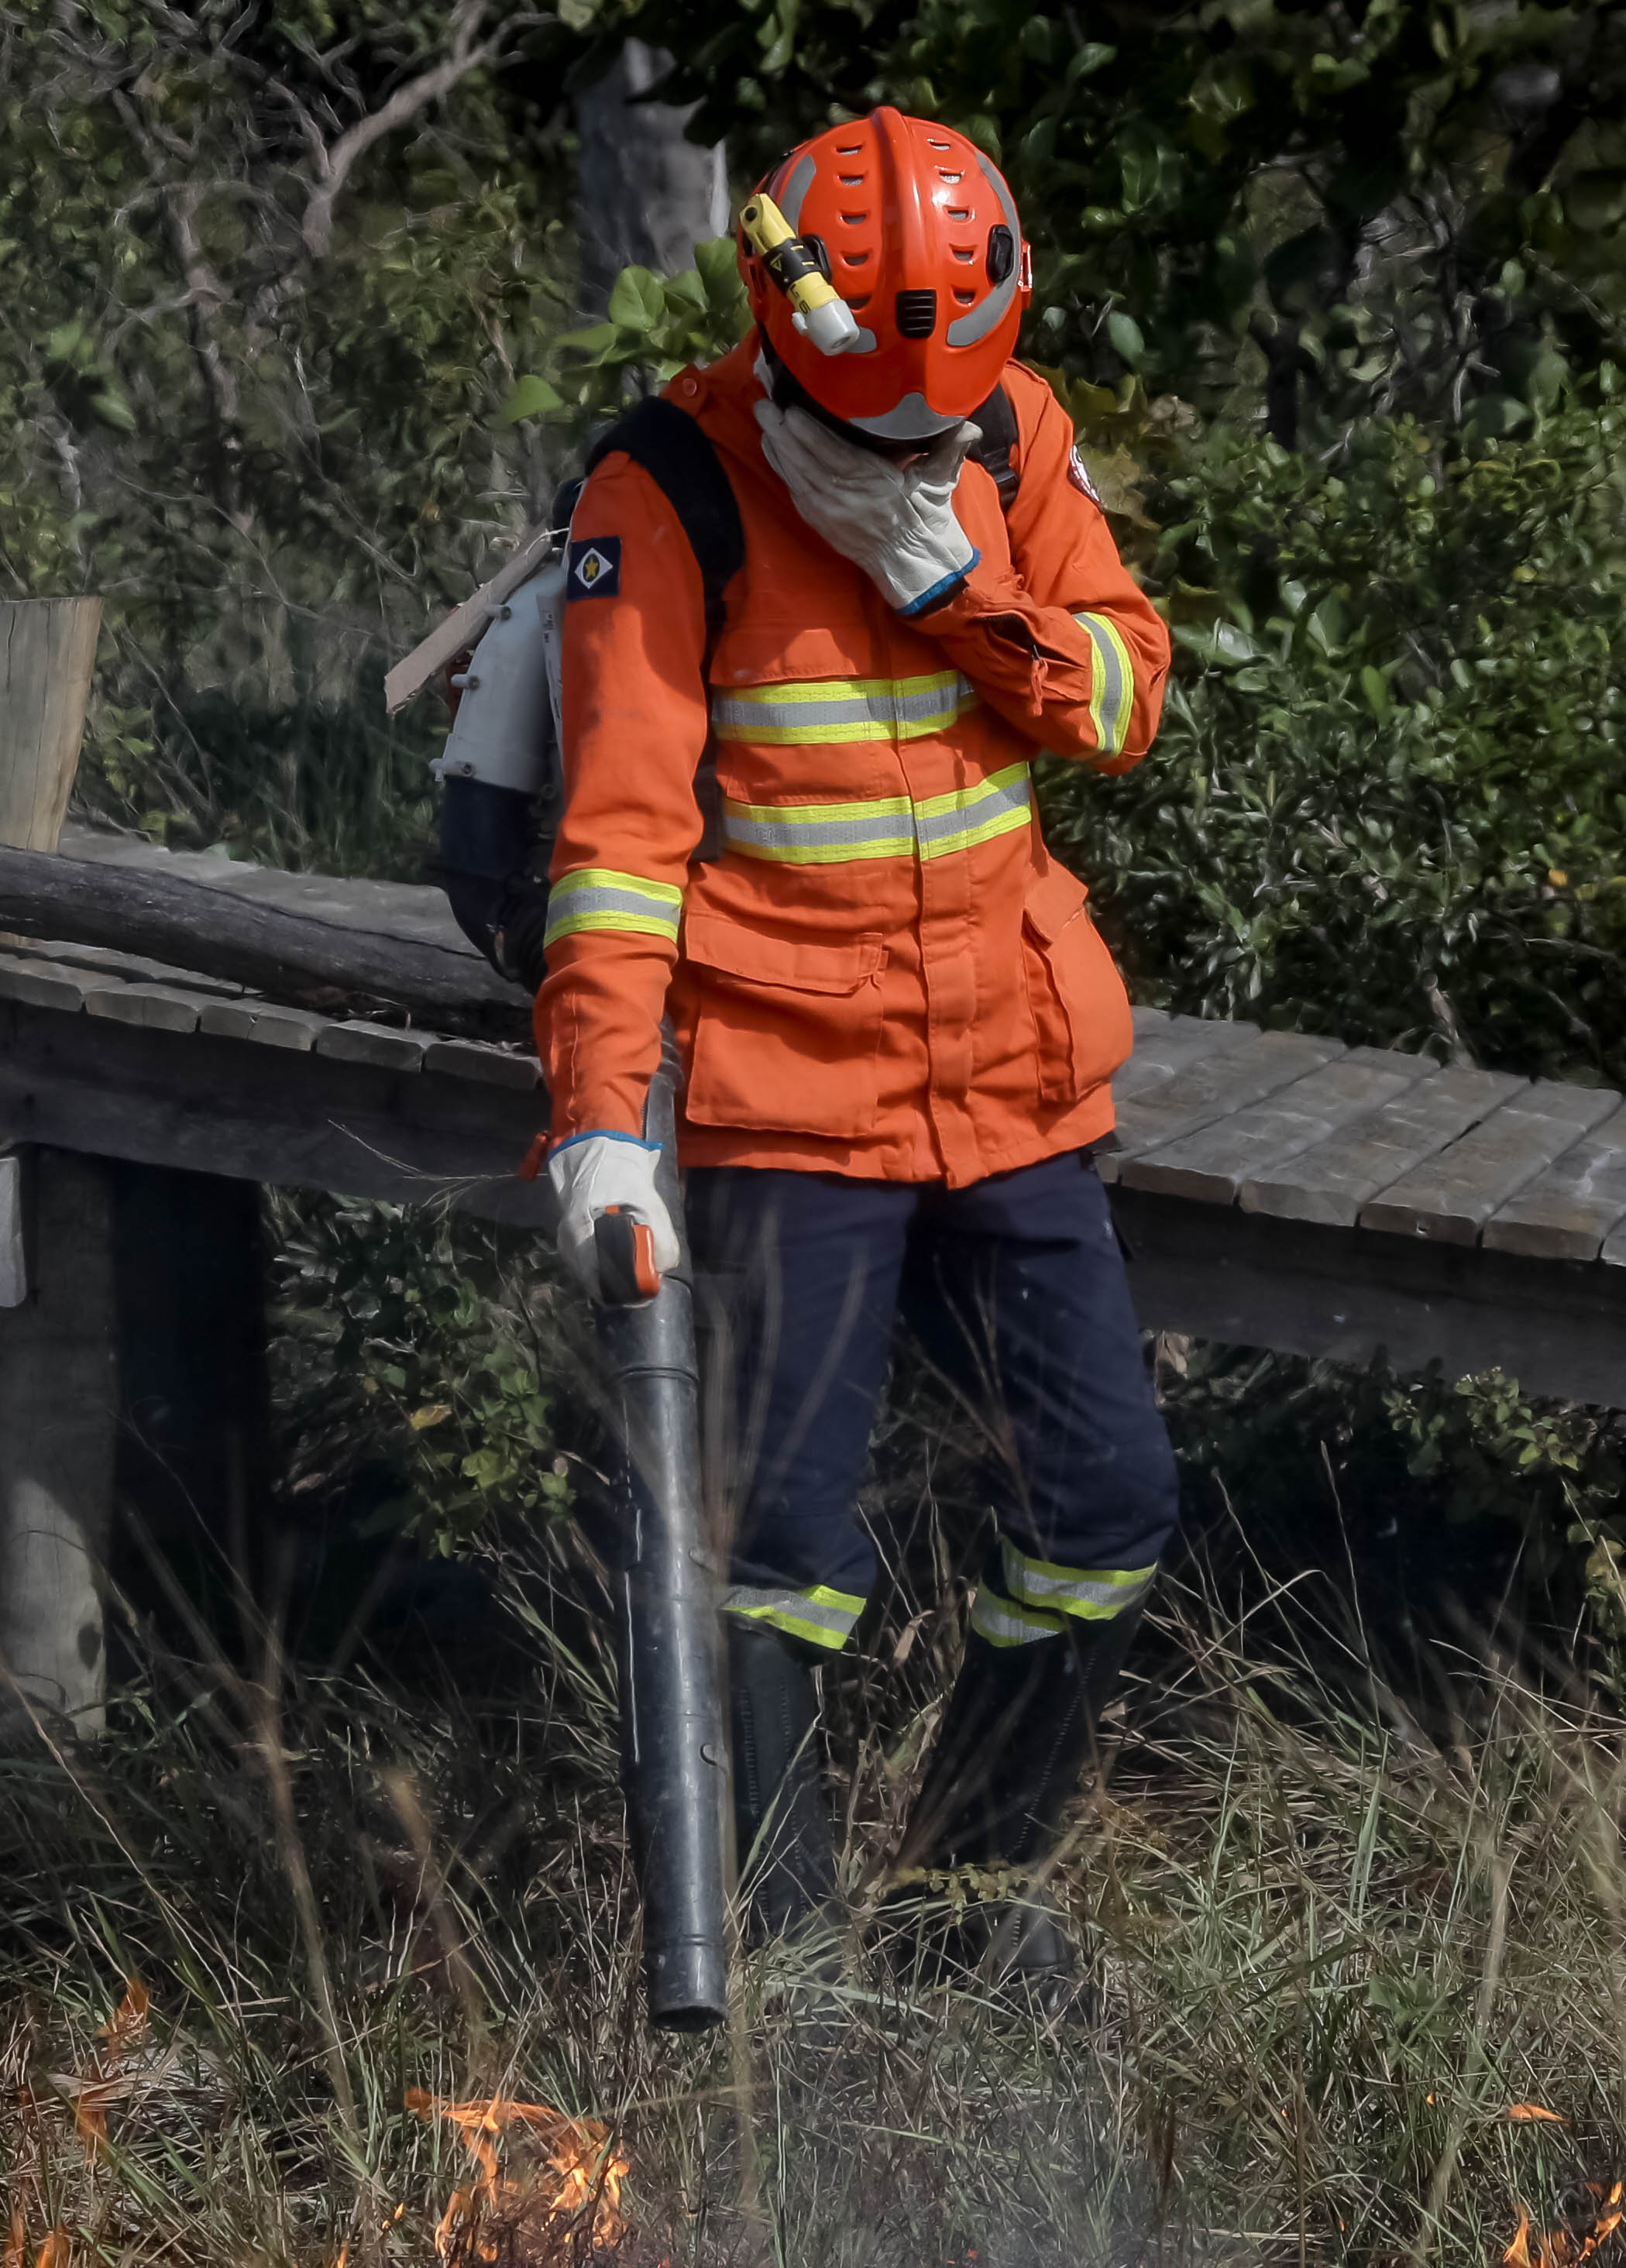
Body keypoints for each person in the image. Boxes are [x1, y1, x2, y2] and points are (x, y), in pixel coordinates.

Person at [528, 107, 1181, 1976]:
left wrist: (954, 585)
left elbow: (1125, 695)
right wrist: (598, 1127)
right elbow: (620, 845)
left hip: (1013, 1081)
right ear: (782, 327)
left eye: (945, 417)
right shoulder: (668, 488)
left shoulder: (1014, 431)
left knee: (1106, 1503)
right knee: (785, 1561)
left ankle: (959, 1905)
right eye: (877, 420)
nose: (921, 444)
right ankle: (794, 1973)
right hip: (788, 1103)